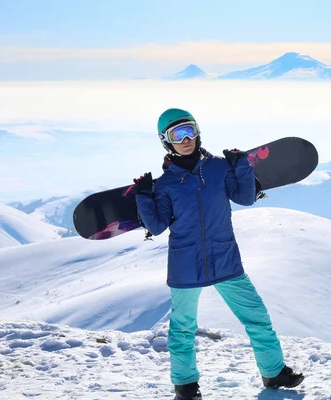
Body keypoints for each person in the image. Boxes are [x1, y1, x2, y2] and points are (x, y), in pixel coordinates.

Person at [134, 108, 304, 400]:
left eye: (190, 130)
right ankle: (186, 386)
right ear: (166, 141)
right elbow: (158, 226)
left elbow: (245, 197)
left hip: (225, 258)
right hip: (186, 264)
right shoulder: (165, 185)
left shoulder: (219, 168)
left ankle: (274, 373)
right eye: (178, 134)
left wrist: (241, 167)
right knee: (183, 330)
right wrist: (143, 197)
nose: (187, 139)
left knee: (256, 316)